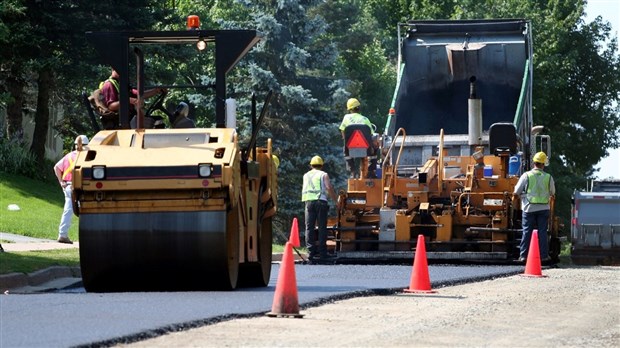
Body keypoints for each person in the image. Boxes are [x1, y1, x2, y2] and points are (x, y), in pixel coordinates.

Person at [513, 151, 556, 262]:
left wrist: (521, 195)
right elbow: (552, 192)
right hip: (543, 208)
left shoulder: (526, 175)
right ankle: (544, 256)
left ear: (534, 163)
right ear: (543, 164)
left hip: (529, 208)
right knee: (542, 232)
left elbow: (516, 191)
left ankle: (523, 256)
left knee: (527, 231)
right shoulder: (549, 177)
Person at [53, 135, 89, 244]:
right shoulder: (85, 156)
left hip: (68, 186)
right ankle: (85, 235)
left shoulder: (69, 156)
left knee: (68, 210)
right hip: (80, 187)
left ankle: (63, 234)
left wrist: (61, 182)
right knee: (85, 210)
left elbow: (56, 167)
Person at [301, 155, 338, 263]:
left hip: (308, 202)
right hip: (320, 202)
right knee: (322, 227)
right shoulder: (323, 174)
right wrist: (336, 201)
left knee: (309, 228)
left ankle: (310, 253)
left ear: (311, 165)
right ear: (321, 165)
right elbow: (328, 187)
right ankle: (322, 253)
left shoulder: (306, 175)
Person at [100, 68, 166, 128]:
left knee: (158, 120)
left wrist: (156, 90)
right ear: (113, 69)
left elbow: (140, 95)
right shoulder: (109, 85)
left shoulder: (122, 84)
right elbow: (111, 106)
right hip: (121, 122)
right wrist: (129, 100)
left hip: (131, 117)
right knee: (154, 123)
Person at [338, 98, 377, 178]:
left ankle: (352, 171)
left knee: (346, 151)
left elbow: (342, 131)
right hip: (366, 148)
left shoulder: (346, 118)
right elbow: (371, 135)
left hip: (350, 147)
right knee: (375, 149)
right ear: (359, 108)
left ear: (349, 109)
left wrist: (346, 142)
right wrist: (372, 147)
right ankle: (371, 170)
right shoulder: (365, 119)